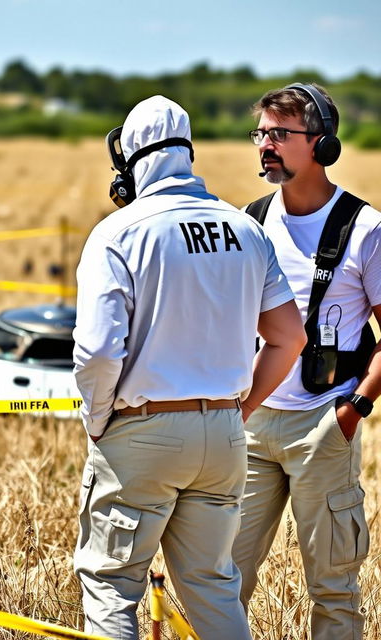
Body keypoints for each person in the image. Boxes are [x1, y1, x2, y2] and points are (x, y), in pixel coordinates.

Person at [72, 95, 306, 640]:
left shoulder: (119, 232)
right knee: (212, 585)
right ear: (187, 153)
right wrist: (237, 410)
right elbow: (289, 337)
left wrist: (99, 418)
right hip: (224, 437)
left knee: (112, 586)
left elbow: (99, 352)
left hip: (141, 431)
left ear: (130, 161)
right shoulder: (246, 229)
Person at [232, 83, 381, 640]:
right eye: (262, 134)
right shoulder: (250, 223)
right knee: (219, 578)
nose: (266, 146)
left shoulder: (365, 229)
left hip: (325, 422)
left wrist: (352, 411)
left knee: (334, 589)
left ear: (321, 145)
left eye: (280, 134)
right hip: (251, 426)